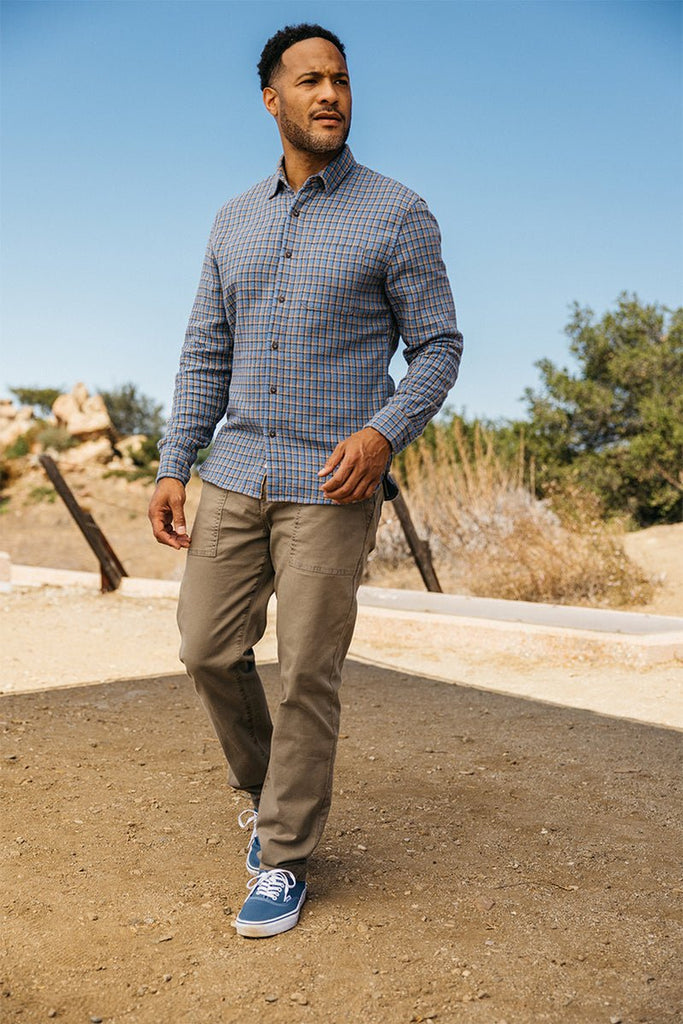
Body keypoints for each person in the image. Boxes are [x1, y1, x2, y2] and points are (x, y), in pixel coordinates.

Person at [148, 22, 463, 939]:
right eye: (310, 80)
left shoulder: (396, 213)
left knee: (307, 673)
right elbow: (205, 352)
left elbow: (438, 347)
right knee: (205, 650)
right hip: (235, 469)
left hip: (332, 482)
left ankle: (283, 857)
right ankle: (265, 792)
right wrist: (175, 462)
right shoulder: (232, 220)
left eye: (341, 80)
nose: (330, 94)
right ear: (271, 100)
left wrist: (382, 432)